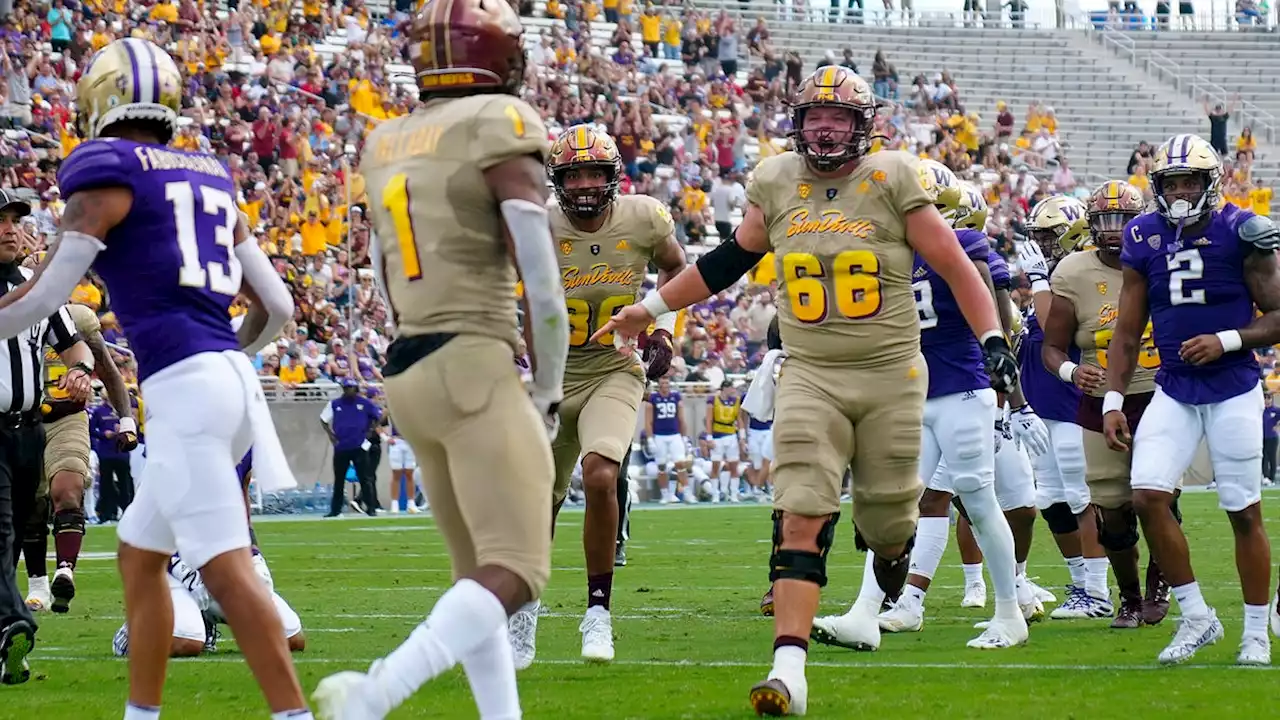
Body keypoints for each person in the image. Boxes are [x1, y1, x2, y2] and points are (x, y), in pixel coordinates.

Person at [594, 65, 1013, 716]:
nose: (823, 126)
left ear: (862, 125)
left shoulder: (895, 177)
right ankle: (789, 671)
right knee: (801, 511)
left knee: (889, 528)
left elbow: (959, 270)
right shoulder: (777, 180)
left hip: (891, 376)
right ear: (798, 122)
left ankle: (892, 569)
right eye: (814, 115)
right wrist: (648, 309)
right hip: (811, 371)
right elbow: (725, 263)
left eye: (838, 116)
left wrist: (993, 344)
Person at [0, 39, 309, 716]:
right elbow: (278, 307)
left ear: (101, 100)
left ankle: (294, 713)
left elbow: (44, 295)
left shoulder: (106, 170)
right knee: (141, 556)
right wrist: (222, 351)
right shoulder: (210, 173)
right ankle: (142, 713)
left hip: (187, 385)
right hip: (229, 376)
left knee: (224, 568)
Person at [311, 1, 569, 718]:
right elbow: (539, 276)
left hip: (407, 364)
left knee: (475, 578)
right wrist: (548, 388)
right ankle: (377, 692)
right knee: (518, 569)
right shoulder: (499, 122)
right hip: (470, 356)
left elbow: (380, 266)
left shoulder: (385, 138)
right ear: (499, 55)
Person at [815, 171, 1034, 651]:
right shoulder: (884, 255)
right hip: (914, 396)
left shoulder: (962, 244)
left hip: (962, 390)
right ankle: (864, 613)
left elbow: (984, 293)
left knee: (977, 499)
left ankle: (1008, 613)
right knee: (895, 505)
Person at [507, 124, 686, 669]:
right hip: (553, 377)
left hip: (615, 366)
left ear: (613, 178)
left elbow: (677, 269)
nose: (585, 184)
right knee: (541, 498)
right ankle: (524, 610)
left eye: (593, 173)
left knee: (603, 473)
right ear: (558, 181)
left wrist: (663, 326)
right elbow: (504, 292)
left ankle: (598, 612)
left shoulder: (644, 218)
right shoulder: (536, 225)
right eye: (574, 174)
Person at [1104, 133, 1280, 666]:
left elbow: (1277, 315)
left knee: (1243, 511)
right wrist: (1113, 398)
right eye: (1171, 182)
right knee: (1147, 496)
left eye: (1190, 181)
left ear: (1210, 182)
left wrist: (1228, 339)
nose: (1180, 191)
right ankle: (1198, 617)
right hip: (1175, 388)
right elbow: (1129, 331)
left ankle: (1255, 631)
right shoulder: (1143, 234)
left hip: (1232, 386)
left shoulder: (1241, 229)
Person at [1041, 179, 1178, 629]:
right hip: (1101, 401)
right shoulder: (1073, 272)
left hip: (1161, 395)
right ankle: (1129, 596)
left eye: (1122, 219)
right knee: (1112, 510)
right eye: (1105, 220)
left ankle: (1160, 585)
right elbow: (1053, 347)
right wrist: (1071, 372)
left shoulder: (1162, 255)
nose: (1114, 229)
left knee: (1157, 497)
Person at [0, 189, 94, 685]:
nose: (11, 228)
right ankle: (13, 623)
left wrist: (81, 372)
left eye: (16, 220)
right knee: (2, 533)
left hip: (31, 429)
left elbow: (75, 345)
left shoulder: (38, 292)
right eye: (1, 220)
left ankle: (10, 628)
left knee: (20, 529)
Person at [1019, 195, 1113, 620]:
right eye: (1035, 235)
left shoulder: (1079, 275)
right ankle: (1080, 583)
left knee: (1081, 495)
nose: (1040, 243)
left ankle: (1098, 589)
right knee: (1052, 497)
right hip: (1043, 406)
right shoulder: (1060, 275)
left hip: (1073, 403)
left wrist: (1040, 280)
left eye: (1048, 235)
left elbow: (1048, 327)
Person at [21, 294, 136, 615]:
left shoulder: (77, 319)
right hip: (23, 420)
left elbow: (109, 370)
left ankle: (65, 570)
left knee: (67, 489)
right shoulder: (12, 316)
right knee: (32, 503)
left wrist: (126, 420)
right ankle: (38, 586)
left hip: (67, 417)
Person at [112, 549, 305, 659]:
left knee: (290, 637)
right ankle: (140, 628)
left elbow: (239, 524)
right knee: (187, 642)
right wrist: (180, 568)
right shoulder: (165, 477)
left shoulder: (234, 477)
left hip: (221, 567)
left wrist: (254, 557)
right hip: (170, 569)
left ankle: (205, 618)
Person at [320, 378, 380, 517]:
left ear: (356, 389)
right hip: (341, 447)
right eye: (347, 388)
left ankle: (371, 507)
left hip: (359, 445)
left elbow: (377, 416)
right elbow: (323, 419)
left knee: (365, 478)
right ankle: (335, 510)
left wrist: (370, 431)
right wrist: (331, 435)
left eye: (352, 388)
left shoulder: (364, 403)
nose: (349, 390)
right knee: (339, 479)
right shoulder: (335, 404)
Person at [645, 375, 690, 503]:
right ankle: (665, 494)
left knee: (680, 464)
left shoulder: (676, 397)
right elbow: (648, 421)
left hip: (674, 434)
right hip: (659, 435)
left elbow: (682, 419)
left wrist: (684, 437)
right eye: (662, 383)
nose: (665, 386)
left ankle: (687, 492)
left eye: (666, 383)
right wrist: (650, 439)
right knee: (661, 466)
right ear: (659, 385)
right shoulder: (653, 398)